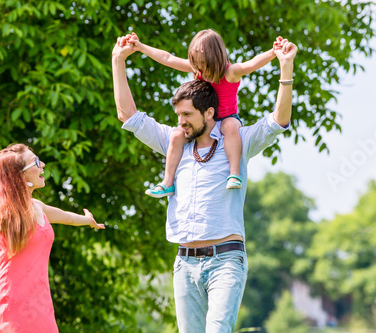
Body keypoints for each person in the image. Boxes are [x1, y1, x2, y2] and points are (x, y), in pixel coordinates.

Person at [113, 33, 297, 332]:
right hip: (184, 264)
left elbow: (278, 120)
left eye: (187, 115)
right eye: (178, 115)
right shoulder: (175, 143)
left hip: (225, 260)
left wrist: (285, 68)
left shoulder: (236, 141)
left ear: (208, 113)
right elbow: (129, 116)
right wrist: (118, 60)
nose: (180, 121)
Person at [0, 143, 105, 333]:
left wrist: (88, 220)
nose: (43, 165)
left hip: (40, 305)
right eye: (36, 162)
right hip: (11, 305)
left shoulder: (38, 206)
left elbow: (68, 218)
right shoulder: (6, 210)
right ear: (19, 175)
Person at [125, 30, 281, 197]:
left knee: (229, 127)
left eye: (203, 64)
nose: (199, 69)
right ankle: (167, 182)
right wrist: (141, 47)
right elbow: (167, 58)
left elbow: (252, 64)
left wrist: (273, 52)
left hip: (228, 118)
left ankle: (234, 173)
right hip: (203, 122)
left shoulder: (230, 73)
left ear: (215, 59)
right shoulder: (197, 70)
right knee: (177, 135)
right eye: (196, 64)